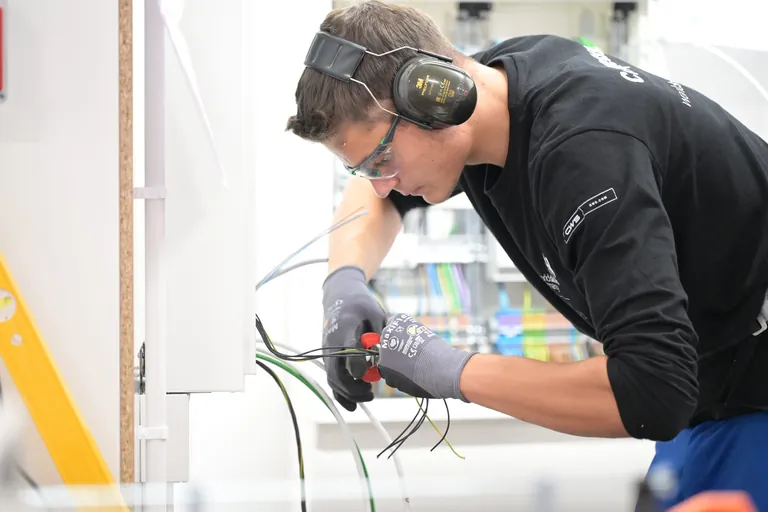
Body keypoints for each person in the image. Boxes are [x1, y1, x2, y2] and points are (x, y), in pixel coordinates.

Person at [286, 1, 768, 508]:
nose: (381, 186)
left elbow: (652, 393)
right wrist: (344, 282)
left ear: (436, 99)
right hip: (717, 385)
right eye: (364, 168)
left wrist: (451, 371)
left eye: (382, 160)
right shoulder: (495, 91)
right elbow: (376, 199)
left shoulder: (583, 154)